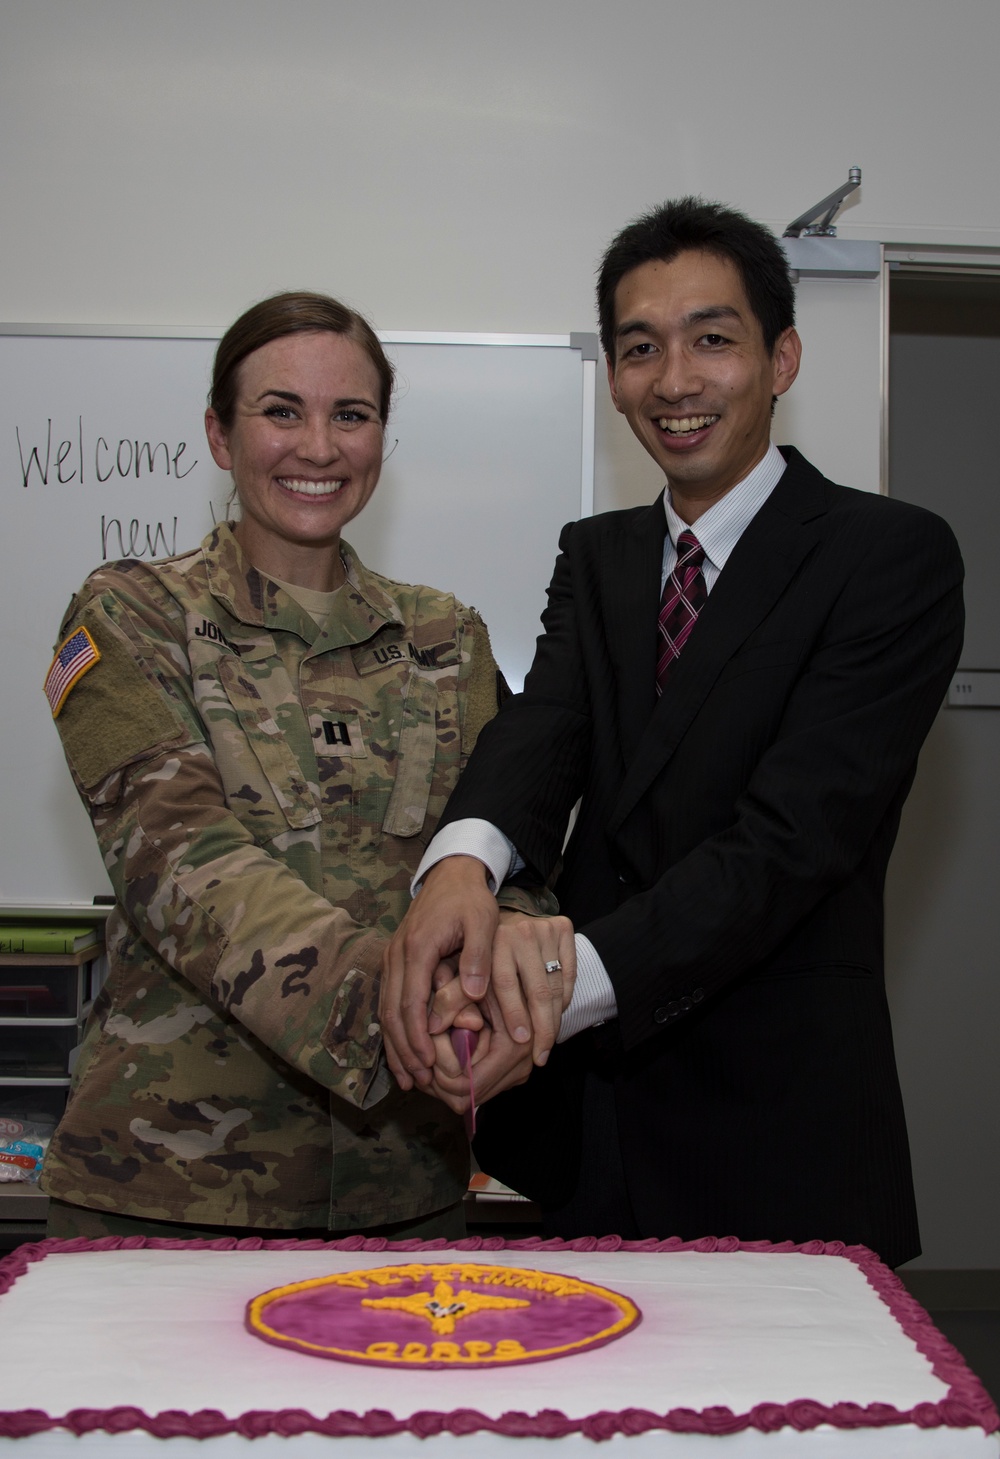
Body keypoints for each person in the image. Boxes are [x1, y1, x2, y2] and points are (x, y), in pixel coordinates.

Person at [380, 200, 965, 1268]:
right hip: (589, 1136)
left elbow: (793, 840)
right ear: (610, 376)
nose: (675, 380)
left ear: (780, 357)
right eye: (639, 348)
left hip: (781, 1134)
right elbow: (545, 725)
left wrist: (557, 986)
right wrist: (460, 868)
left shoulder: (887, 555)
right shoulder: (596, 553)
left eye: (712, 339)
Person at [40, 291, 570, 1242]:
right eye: (281, 410)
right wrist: (408, 1009)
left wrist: (511, 990)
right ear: (218, 431)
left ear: (381, 438)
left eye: (352, 415)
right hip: (168, 1197)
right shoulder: (125, 617)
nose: (319, 447)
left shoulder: (449, 639)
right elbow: (186, 867)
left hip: (405, 1194)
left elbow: (506, 857)